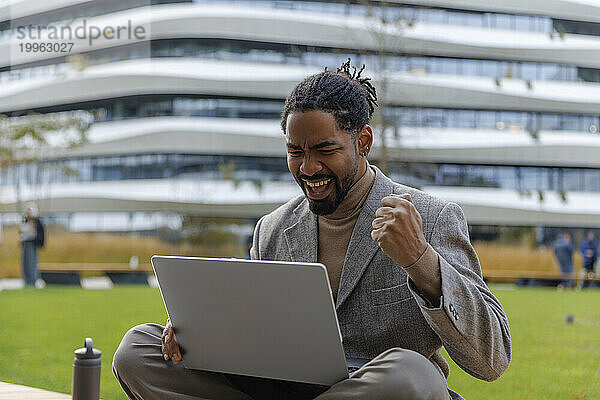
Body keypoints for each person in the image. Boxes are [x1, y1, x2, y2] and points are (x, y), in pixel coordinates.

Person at [113, 60, 511, 400]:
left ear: (363, 142)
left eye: (324, 150)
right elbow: (251, 335)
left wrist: (420, 261)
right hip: (281, 387)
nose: (307, 168)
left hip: (372, 390)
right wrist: (195, 333)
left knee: (410, 374)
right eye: (295, 151)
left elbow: (492, 359)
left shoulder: (431, 216)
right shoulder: (272, 229)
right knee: (136, 350)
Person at [19, 203, 44, 286]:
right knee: (24, 263)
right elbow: (21, 231)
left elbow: (33, 232)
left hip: (31, 243)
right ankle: (26, 281)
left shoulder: (35, 221)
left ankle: (32, 281)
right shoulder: (25, 220)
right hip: (24, 243)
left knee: (32, 263)